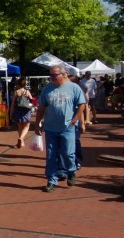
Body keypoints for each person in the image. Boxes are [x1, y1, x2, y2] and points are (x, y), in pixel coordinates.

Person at [34, 65, 86, 193]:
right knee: (51, 155)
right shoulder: (47, 89)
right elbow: (41, 108)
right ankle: (52, 180)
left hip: (67, 127)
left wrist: (75, 120)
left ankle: (71, 171)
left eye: (54, 75)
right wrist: (37, 124)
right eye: (50, 75)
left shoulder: (74, 88)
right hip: (51, 128)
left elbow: (82, 105)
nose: (51, 78)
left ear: (64, 74)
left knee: (68, 153)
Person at [9, 78, 33, 148]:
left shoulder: (16, 92)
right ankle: (21, 138)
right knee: (26, 126)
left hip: (18, 110)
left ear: (18, 84)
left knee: (20, 126)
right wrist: (31, 107)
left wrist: (11, 113)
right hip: (26, 110)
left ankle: (21, 142)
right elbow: (31, 101)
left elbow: (13, 104)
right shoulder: (27, 92)